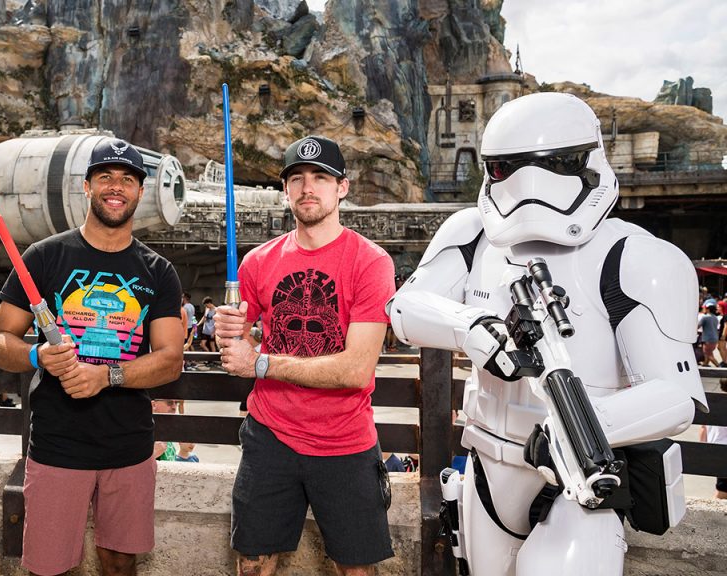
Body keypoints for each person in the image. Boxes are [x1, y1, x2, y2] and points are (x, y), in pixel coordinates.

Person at [387, 93, 706, 576]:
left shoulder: (636, 257)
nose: (528, 184)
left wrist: (579, 430)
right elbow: (404, 310)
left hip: (577, 476)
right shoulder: (472, 234)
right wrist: (470, 328)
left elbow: (678, 398)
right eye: (506, 168)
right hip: (487, 463)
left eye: (553, 164)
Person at [0, 137, 184, 576]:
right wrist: (38, 356)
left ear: (140, 190)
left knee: (120, 562)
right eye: (106, 177)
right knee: (49, 566)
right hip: (58, 444)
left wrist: (106, 376)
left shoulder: (158, 271)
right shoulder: (44, 257)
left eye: (127, 179)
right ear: (87, 186)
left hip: (129, 446)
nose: (116, 187)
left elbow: (171, 359)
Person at [215, 135, 396, 576]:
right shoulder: (258, 263)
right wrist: (229, 330)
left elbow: (356, 369)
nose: (307, 187)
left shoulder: (371, 263)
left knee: (356, 569)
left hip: (344, 440)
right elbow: (237, 335)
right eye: (296, 178)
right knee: (253, 564)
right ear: (286, 190)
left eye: (320, 177)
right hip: (269, 437)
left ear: (343, 188)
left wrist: (259, 361)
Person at [698, 379, 727, 499]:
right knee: (723, 492)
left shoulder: (712, 402)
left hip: (715, 449)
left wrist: (703, 450)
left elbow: (703, 428)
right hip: (724, 452)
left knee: (722, 489)